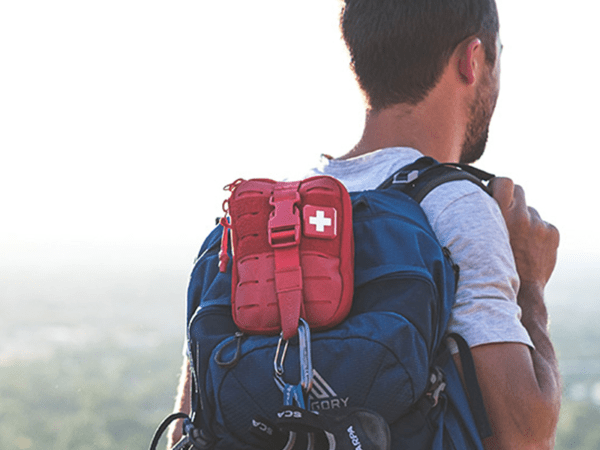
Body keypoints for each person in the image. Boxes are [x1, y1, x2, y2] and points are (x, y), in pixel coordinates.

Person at [168, 0, 561, 448]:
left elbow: (185, 432)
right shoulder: (457, 208)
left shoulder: (265, 222)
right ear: (471, 60)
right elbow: (524, 438)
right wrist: (531, 285)